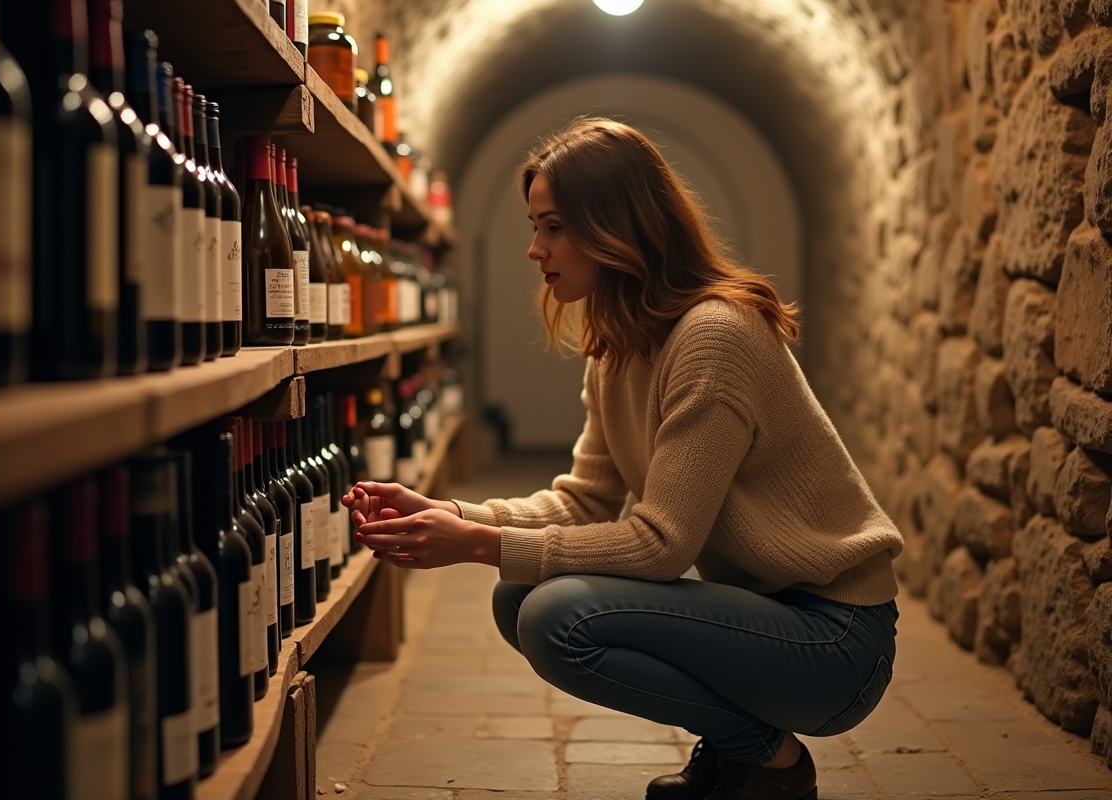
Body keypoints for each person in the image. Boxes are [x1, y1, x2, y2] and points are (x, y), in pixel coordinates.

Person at [342, 117, 903, 800]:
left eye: (553, 227)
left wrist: (478, 542)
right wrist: (454, 512)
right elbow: (582, 501)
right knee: (518, 594)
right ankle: (743, 756)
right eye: (533, 225)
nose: (533, 249)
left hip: (835, 641)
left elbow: (662, 545)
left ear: (616, 226)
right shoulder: (620, 343)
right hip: (765, 616)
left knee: (559, 618)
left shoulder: (713, 336)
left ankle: (767, 761)